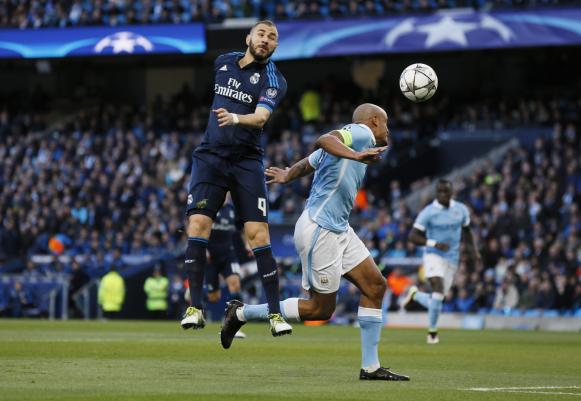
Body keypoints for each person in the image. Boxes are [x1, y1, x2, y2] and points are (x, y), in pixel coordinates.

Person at [221, 103, 410, 381]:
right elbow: (323, 140)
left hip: (340, 228)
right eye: (386, 123)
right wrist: (356, 155)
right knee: (320, 309)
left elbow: (311, 160)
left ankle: (371, 367)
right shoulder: (360, 134)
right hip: (321, 228)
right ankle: (241, 313)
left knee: (375, 286)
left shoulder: (350, 143)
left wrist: (288, 174)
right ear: (373, 121)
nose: (388, 130)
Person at [180, 19, 292, 336]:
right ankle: (195, 309)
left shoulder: (274, 80)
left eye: (272, 37)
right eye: (261, 34)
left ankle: (275, 314)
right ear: (248, 38)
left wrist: (235, 118)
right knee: (197, 225)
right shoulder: (223, 62)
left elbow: (261, 118)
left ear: (275, 46)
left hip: (246, 161)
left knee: (258, 235)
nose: (266, 39)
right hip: (210, 157)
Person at [405, 179, 481, 344]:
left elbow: (467, 231)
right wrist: (433, 243)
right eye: (440, 191)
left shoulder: (461, 210)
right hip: (433, 255)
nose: (443, 194)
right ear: (436, 193)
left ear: (451, 192)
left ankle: (415, 295)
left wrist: (474, 251)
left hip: (452, 257)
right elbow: (413, 236)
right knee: (438, 287)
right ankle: (432, 332)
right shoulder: (428, 212)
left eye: (446, 191)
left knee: (438, 298)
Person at [206, 198, 247, 338]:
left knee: (235, 284)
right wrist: (202, 248)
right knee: (213, 297)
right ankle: (195, 293)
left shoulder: (232, 209)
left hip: (228, 255)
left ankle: (231, 326)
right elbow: (197, 227)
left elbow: (242, 228)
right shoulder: (209, 207)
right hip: (210, 257)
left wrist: (247, 243)